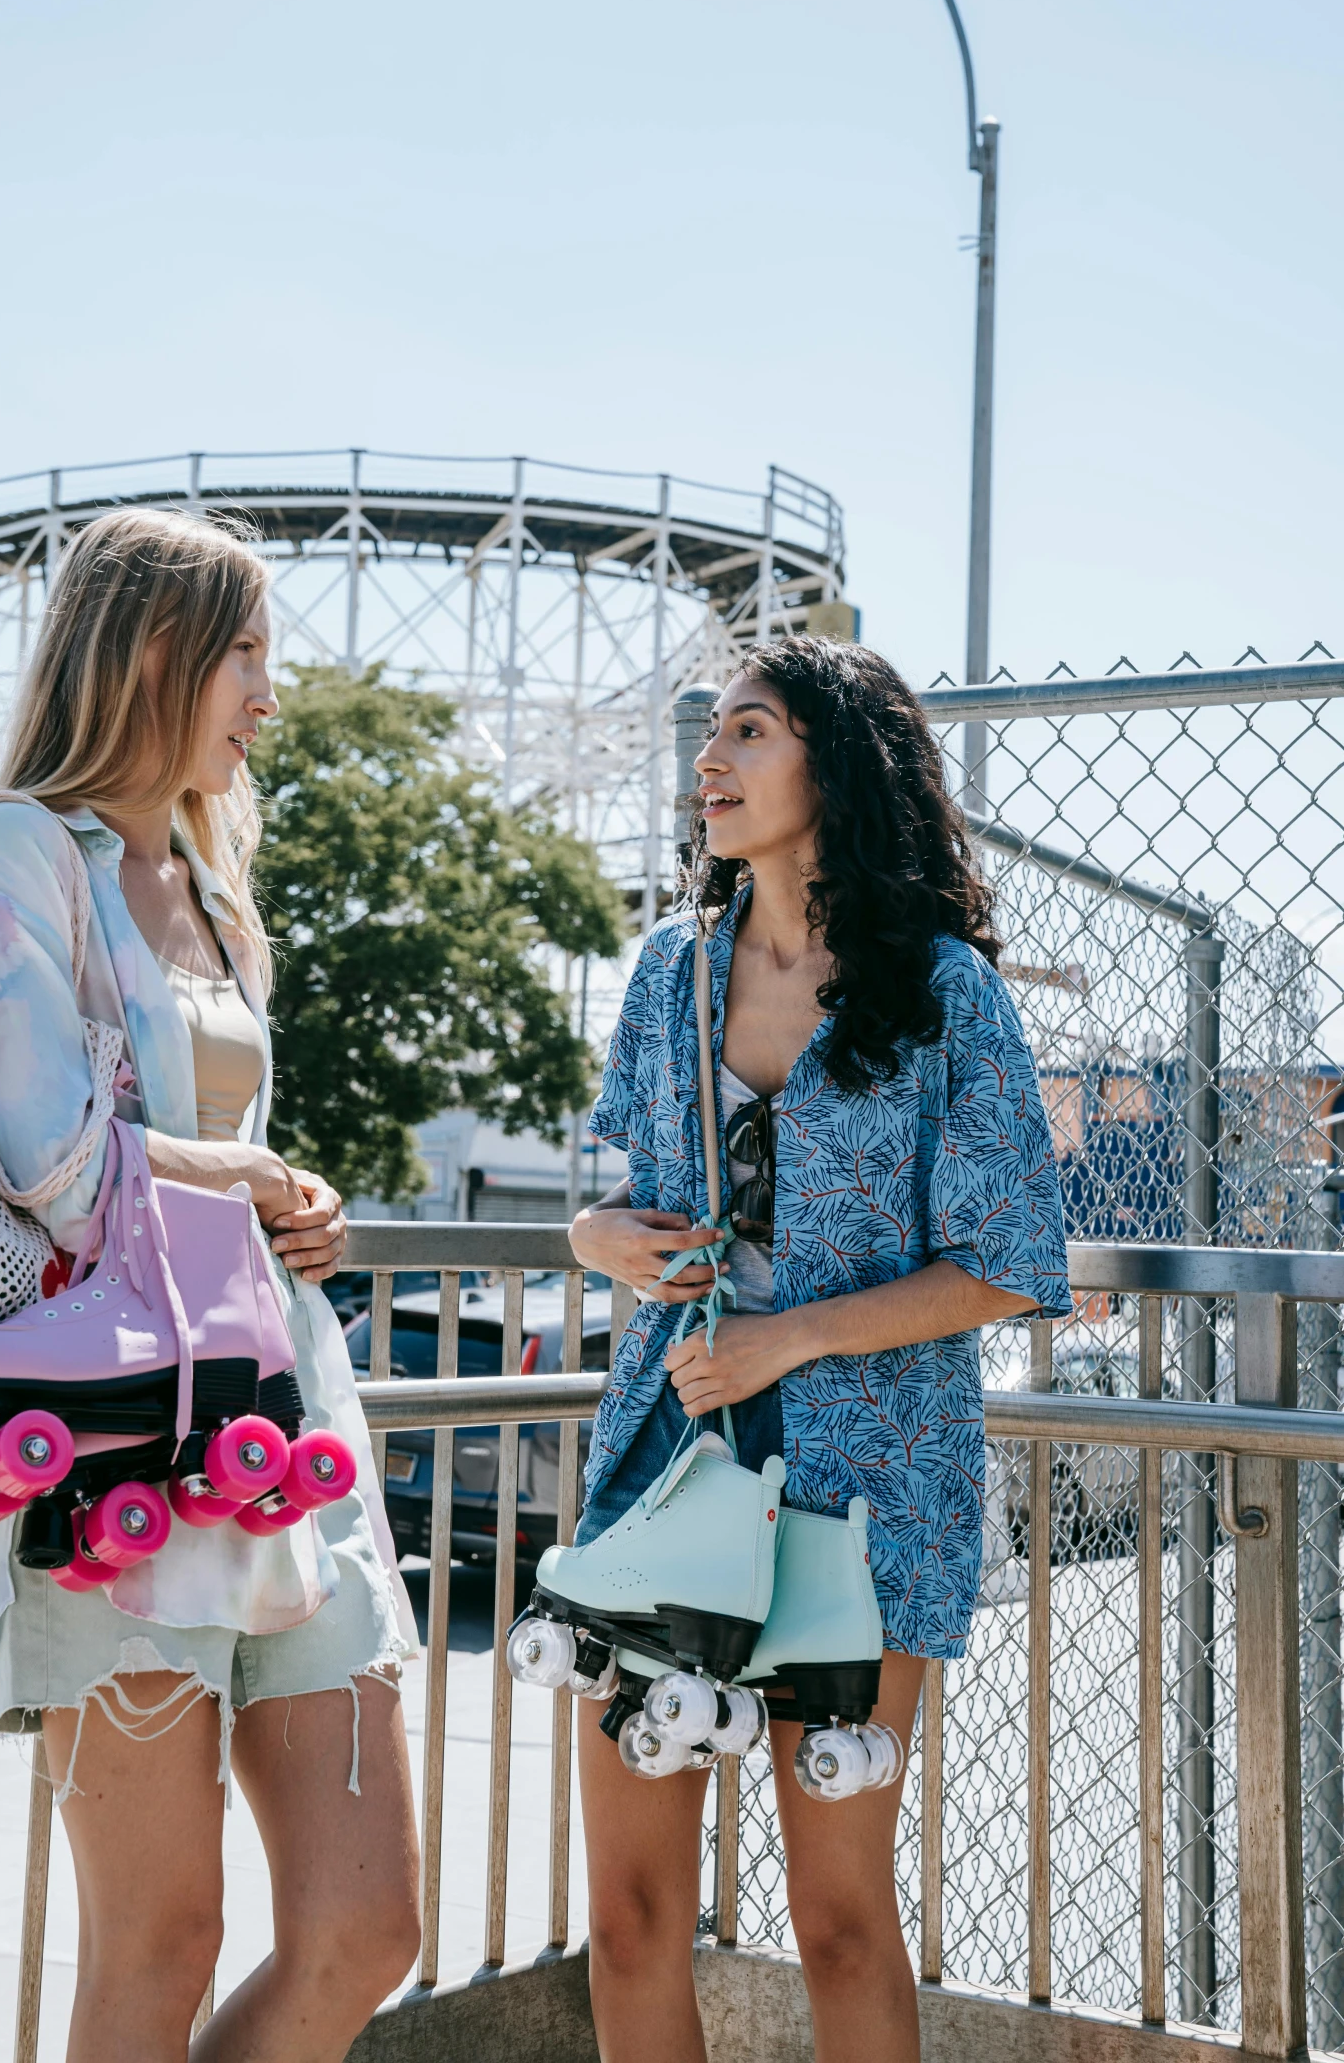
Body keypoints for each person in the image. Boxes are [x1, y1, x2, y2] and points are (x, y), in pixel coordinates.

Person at [0, 508, 421, 2063]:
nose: (269, 692)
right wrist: (246, 1180)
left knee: (365, 1927)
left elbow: (217, 1147)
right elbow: (49, 1160)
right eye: (245, 652)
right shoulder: (17, 849)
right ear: (151, 652)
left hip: (276, 1423)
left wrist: (296, 1201)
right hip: (111, 1451)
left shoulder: (213, 883)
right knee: (157, 1947)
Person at [567, 638, 1070, 2063]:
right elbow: (617, 1202)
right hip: (671, 1451)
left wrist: (788, 1335)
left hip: (872, 1477)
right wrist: (592, 1240)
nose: (708, 761)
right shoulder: (671, 970)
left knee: (838, 1912)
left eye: (749, 731)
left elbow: (1007, 1262)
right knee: (628, 1904)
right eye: (707, 735)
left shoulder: (943, 987)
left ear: (831, 763)